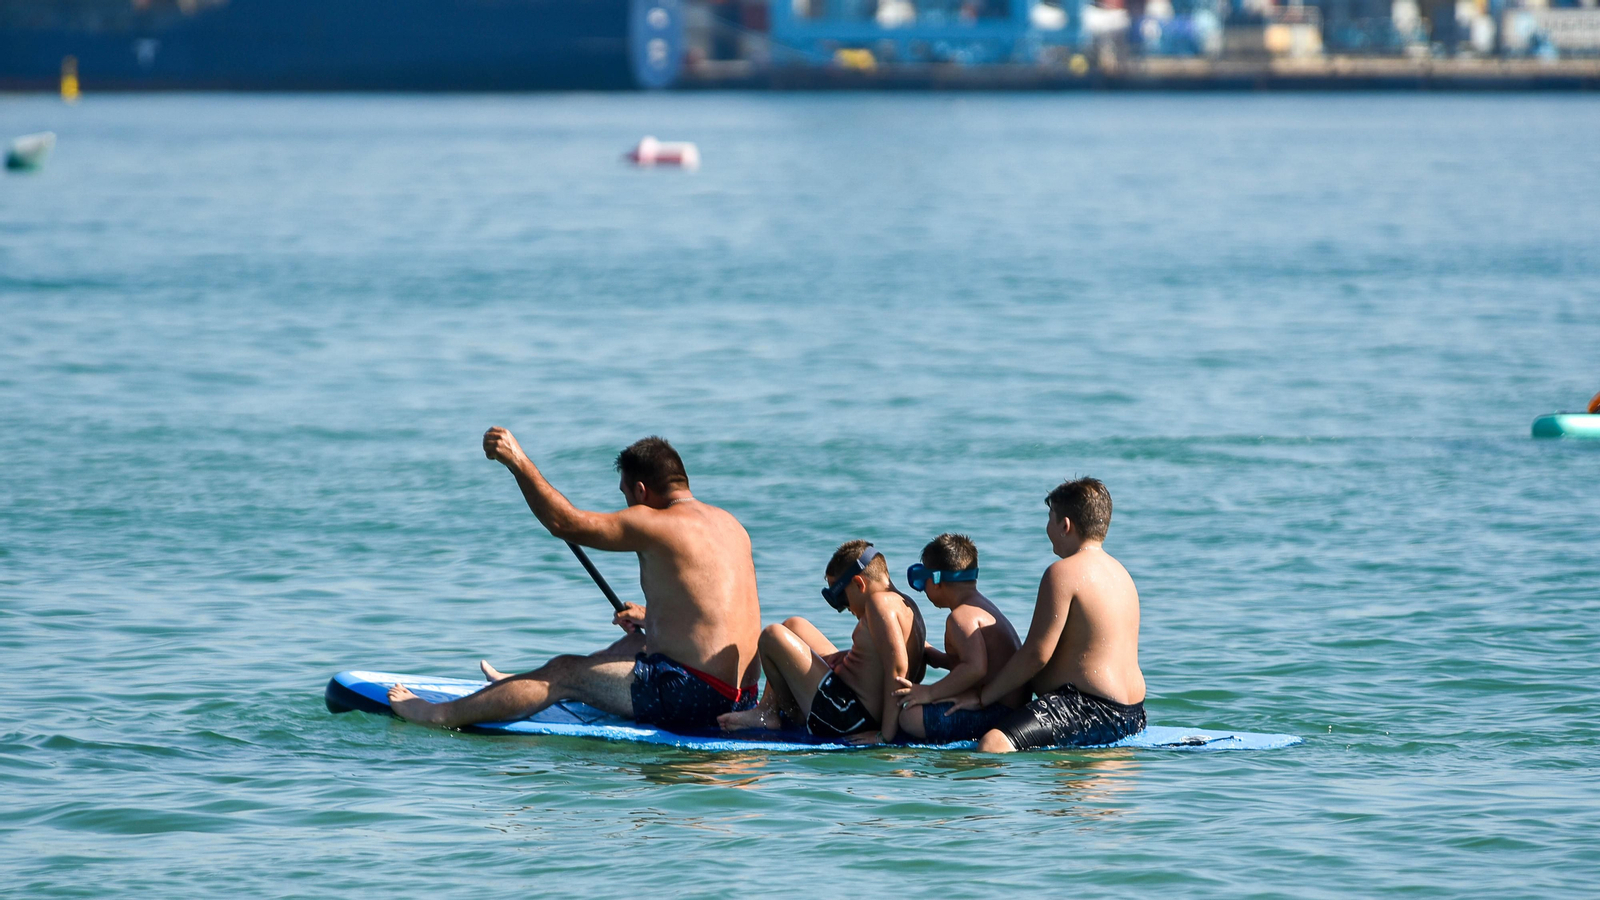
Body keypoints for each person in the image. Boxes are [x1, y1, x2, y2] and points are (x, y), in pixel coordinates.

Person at [387, 430, 762, 733]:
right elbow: (715, 609)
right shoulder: (730, 526)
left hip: (693, 698)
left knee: (564, 671)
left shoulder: (656, 521)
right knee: (633, 642)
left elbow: (564, 523)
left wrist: (517, 462)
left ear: (642, 491)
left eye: (626, 494)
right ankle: (517, 685)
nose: (629, 504)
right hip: (743, 698)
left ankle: (437, 714)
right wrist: (650, 616)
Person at [948, 477, 1146, 753]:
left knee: (993, 743)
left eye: (1050, 519)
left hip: (1090, 710)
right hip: (1133, 715)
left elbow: (1036, 654)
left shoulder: (1062, 573)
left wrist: (984, 697)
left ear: (1065, 526)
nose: (1047, 528)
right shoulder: (1121, 574)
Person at [717, 541, 925, 743]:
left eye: (841, 599)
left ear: (859, 584)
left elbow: (898, 667)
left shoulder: (878, 604)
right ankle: (769, 705)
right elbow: (905, 651)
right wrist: (847, 656)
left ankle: (772, 714)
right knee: (794, 626)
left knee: (772, 635)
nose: (845, 609)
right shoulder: (906, 605)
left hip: (846, 717)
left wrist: (885, 735)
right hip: (852, 703)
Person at [890, 533, 1025, 743]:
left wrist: (930, 692)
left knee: (910, 717)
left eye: (920, 580)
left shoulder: (960, 617)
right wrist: (934, 656)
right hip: (1007, 704)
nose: (922, 589)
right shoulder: (980, 607)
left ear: (935, 581)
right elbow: (980, 665)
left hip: (998, 713)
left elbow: (975, 668)